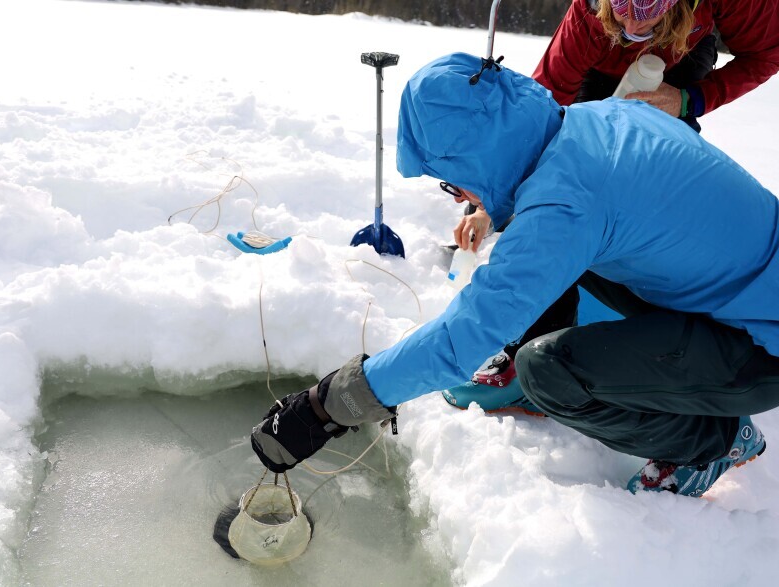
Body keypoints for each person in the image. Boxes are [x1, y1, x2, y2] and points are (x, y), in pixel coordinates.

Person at [250, 52, 779, 498]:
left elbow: (463, 336)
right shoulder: (594, 120)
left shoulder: (566, 204)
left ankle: (712, 441)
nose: (463, 199)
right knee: (558, 266)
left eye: (453, 184)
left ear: (477, 160)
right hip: (745, 289)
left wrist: (325, 406)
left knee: (549, 370)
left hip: (762, 345)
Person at [533, 0, 779, 132]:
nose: (630, 28)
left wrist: (687, 100)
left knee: (662, 146)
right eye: (621, 10)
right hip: (602, 65)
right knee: (584, 137)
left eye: (644, 13)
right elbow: (546, 99)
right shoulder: (588, 11)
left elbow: (765, 55)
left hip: (683, 53)